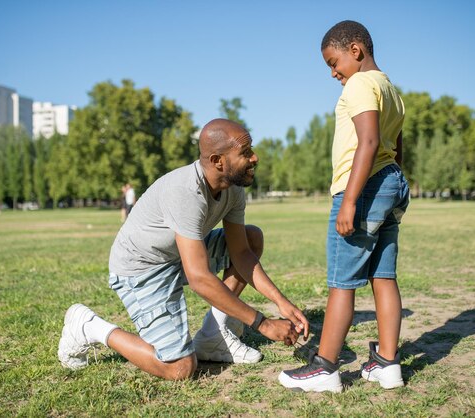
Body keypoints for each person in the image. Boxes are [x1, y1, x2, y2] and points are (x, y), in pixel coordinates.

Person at [58, 118, 309, 380]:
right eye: (245, 153)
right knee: (180, 368)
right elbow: (200, 279)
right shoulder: (186, 192)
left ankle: (213, 336)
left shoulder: (232, 188)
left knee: (251, 238)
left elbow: (242, 253)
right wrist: (263, 323)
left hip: (179, 255)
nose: (254, 158)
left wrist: (281, 302)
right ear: (217, 161)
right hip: (142, 269)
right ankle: (88, 326)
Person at [278, 20, 410, 392]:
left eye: (334, 62)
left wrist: (350, 201)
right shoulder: (390, 88)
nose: (334, 72)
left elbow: (367, 142)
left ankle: (325, 367)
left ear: (356, 50)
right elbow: (396, 147)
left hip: (364, 187)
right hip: (390, 180)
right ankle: (387, 362)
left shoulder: (360, 84)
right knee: (383, 276)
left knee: (342, 281)